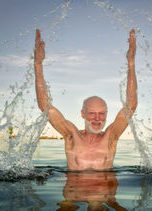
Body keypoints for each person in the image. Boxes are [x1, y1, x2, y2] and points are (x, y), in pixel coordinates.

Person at [34, 28, 137, 171]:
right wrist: (38, 65)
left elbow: (131, 106)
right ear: (82, 114)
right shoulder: (71, 135)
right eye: (91, 113)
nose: (97, 118)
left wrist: (131, 62)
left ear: (107, 115)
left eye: (101, 113)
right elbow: (45, 106)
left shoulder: (111, 137)